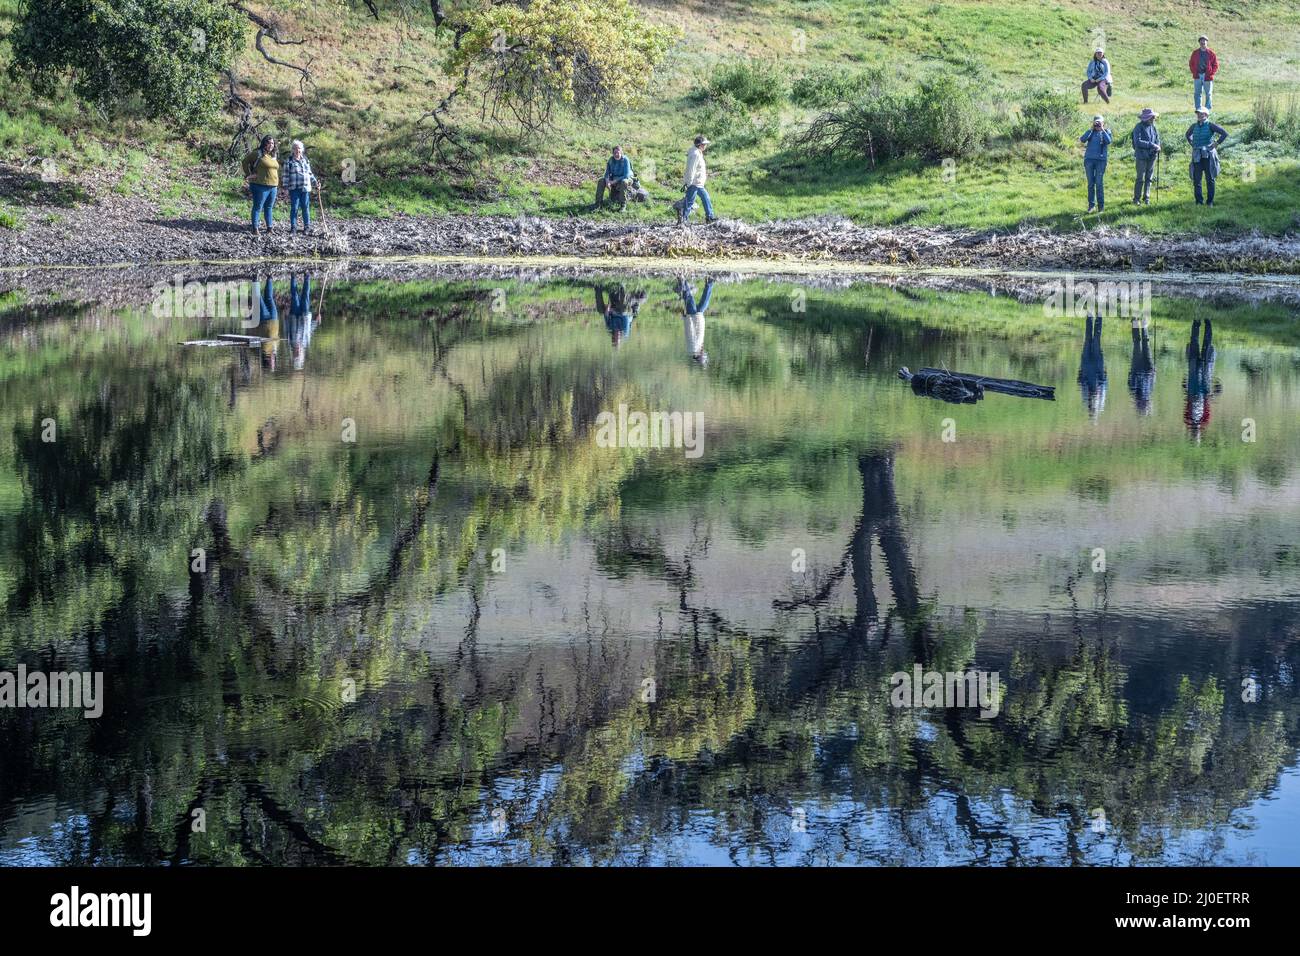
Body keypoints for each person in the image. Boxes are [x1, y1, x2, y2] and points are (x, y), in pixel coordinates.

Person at [1186, 107, 1228, 206]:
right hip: (1197, 155)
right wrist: (1192, 143)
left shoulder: (1211, 125)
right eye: (1198, 114)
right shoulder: (1194, 126)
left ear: (1206, 115)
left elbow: (1224, 133)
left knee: (1210, 179)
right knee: (1197, 180)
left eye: (1202, 114)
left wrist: (1216, 144)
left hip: (1208, 155)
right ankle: (1199, 202)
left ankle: (1210, 202)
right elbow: (1187, 134)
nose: (1200, 115)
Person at [1184, 318, 1217, 438]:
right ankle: (1200, 322)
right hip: (1196, 383)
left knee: (1204, 346)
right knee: (1196, 344)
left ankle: (1204, 323)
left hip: (1201, 384)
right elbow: (1189, 402)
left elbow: (1205, 404)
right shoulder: (1199, 420)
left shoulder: (1202, 421)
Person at [241, 135, 280, 234]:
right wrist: (249, 175)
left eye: (272, 143)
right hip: (260, 185)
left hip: (273, 186)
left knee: (269, 207)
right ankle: (255, 228)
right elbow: (245, 161)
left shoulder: (273, 155)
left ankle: (269, 228)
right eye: (268, 142)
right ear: (264, 143)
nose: (270, 145)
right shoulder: (257, 154)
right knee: (258, 207)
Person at [676, 135, 718, 225]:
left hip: (698, 182)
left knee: (705, 198)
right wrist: (689, 183)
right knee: (690, 201)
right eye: (704, 144)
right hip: (694, 182)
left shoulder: (697, 152)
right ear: (700, 145)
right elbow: (691, 169)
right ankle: (683, 219)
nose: (705, 146)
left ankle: (709, 216)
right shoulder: (695, 154)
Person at [281, 140, 318, 235]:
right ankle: (293, 227)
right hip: (294, 188)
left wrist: (316, 183)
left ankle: (307, 227)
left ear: (302, 149)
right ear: (292, 150)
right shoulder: (288, 161)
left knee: (305, 207)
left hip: (305, 188)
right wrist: (285, 188)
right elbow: (285, 176)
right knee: (294, 208)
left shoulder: (305, 160)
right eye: (296, 148)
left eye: (300, 148)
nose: (298, 150)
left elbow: (309, 173)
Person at [595, 283, 648, 349]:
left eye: (616, 337)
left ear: (613, 337)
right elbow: (625, 316)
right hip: (628, 311)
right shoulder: (625, 331)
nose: (618, 335)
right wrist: (612, 310)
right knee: (623, 311)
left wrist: (607, 310)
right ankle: (622, 287)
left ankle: (598, 287)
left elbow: (606, 316)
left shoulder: (610, 328)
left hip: (616, 309)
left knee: (600, 310)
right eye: (619, 338)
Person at [1079, 115, 1112, 213]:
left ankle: (1101, 207)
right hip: (1089, 160)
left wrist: (1102, 129)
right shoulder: (1090, 132)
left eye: (1099, 123)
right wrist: (1091, 129)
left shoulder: (1107, 132)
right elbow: (1082, 139)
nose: (1097, 124)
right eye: (1096, 123)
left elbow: (1109, 141)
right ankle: (1091, 206)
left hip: (1101, 161)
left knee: (1099, 183)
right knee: (1090, 184)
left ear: (1103, 123)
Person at [286, 273, 317, 370]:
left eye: (296, 354)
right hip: (304, 316)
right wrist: (316, 322)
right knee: (305, 295)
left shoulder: (290, 342)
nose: (297, 352)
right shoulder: (306, 342)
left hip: (294, 316)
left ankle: (293, 276)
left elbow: (286, 329)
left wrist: (285, 318)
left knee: (294, 296)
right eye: (299, 354)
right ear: (302, 354)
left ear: (293, 353)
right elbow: (309, 331)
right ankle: (307, 276)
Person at [1078, 314, 1107, 420]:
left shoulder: (1085, 398)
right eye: (1093, 410)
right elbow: (1105, 382)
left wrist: (1083, 380)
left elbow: (1079, 381)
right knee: (1096, 339)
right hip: (1097, 364)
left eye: (1091, 409)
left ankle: (1090, 316)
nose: (1092, 406)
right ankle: (1099, 316)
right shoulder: (1101, 398)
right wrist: (1099, 383)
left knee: (1088, 339)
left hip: (1086, 364)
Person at [678, 277, 712, 367]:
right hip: (697, 317)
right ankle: (709, 282)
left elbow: (690, 331)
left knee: (689, 298)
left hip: (692, 317)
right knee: (704, 303)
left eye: (704, 354)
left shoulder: (693, 347)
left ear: (699, 356)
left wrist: (686, 318)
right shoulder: (696, 348)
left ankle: (682, 280)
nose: (704, 352)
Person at [1130, 108, 1161, 205]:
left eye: (1153, 117)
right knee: (1140, 178)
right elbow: (1137, 142)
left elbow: (1157, 138)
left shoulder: (1153, 127)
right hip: (1141, 156)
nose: (1153, 119)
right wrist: (1152, 145)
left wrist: (1158, 146)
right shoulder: (1138, 127)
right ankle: (1136, 199)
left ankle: (1146, 197)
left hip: (1152, 155)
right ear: (1146, 118)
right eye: (1151, 117)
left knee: (1149, 177)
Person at [1127, 317, 1155, 416]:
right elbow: (1152, 380)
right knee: (1146, 342)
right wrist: (1153, 373)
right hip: (1148, 366)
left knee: (1137, 342)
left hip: (1137, 365)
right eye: (1146, 405)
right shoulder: (1149, 391)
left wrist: (1138, 374)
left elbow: (1131, 377)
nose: (1146, 403)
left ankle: (1135, 322)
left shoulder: (1133, 391)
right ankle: (1144, 325)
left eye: (1144, 405)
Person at [594, 145, 633, 211]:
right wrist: (607, 181)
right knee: (601, 180)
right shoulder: (611, 160)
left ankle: (623, 205)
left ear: (621, 153)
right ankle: (598, 203)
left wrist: (614, 181)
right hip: (614, 178)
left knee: (624, 182)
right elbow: (607, 173)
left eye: (618, 152)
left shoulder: (625, 160)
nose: (616, 154)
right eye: (614, 153)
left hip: (626, 178)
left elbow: (626, 175)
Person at [1190, 35, 1219, 112]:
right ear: (1199, 43)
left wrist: (1211, 73)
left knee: (1208, 94)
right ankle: (1198, 109)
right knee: (1197, 93)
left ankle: (1207, 109)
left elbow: (1215, 65)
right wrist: (1194, 72)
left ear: (1207, 43)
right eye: (1201, 41)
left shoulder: (1211, 53)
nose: (1203, 43)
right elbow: (1191, 63)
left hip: (1207, 76)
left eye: (1204, 41)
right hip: (1197, 75)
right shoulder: (1195, 53)